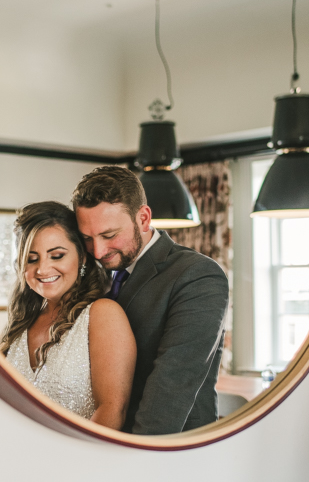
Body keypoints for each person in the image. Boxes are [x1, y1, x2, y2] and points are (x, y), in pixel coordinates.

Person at [72, 166, 229, 435]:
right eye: (87, 238)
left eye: (109, 235)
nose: (98, 250)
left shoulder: (197, 275)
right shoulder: (92, 275)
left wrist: (136, 460)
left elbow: (173, 384)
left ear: (143, 218)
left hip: (167, 449)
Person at [0, 201, 137, 430]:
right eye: (32, 259)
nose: (42, 269)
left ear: (82, 257)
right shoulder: (22, 322)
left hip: (77, 459)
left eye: (56, 255)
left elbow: (113, 409)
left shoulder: (102, 314)